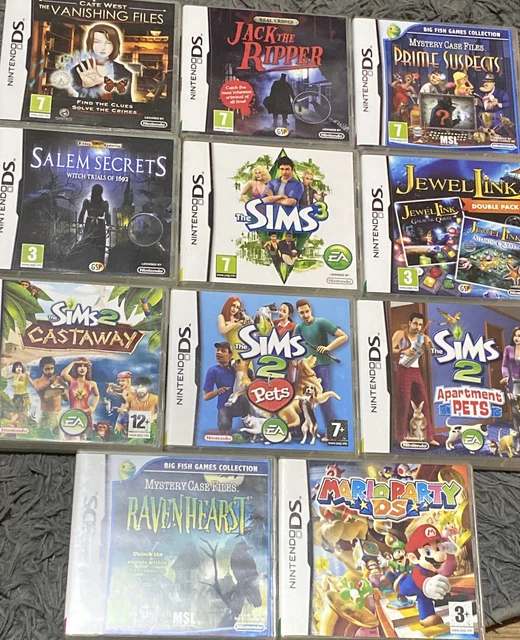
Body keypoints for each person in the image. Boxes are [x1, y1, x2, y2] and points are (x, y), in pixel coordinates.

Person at [293, 299, 348, 424]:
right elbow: (294, 347)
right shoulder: (299, 327)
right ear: (298, 313)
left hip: (322, 365)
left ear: (311, 309)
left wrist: (328, 348)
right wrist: (294, 361)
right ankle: (304, 429)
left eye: (307, 311)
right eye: (302, 313)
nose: (305, 315)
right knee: (303, 399)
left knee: (324, 398)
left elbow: (344, 336)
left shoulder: (322, 322)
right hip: (306, 370)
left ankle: (335, 432)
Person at [391, 312, 439, 445]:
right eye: (415, 323)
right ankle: (401, 437)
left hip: (416, 370)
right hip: (403, 369)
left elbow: (433, 353)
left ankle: (429, 437)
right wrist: (403, 351)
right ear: (409, 323)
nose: (417, 327)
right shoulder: (400, 334)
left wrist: (430, 345)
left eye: (420, 325)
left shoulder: (422, 337)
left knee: (424, 402)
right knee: (404, 403)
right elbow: (389, 349)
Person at [396, 525, 456, 628]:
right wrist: (428, 585)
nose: (439, 555)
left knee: (425, 595)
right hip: (412, 585)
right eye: (428, 551)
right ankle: (426, 617)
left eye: (438, 548)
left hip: (426, 587)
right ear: (414, 558)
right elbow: (422, 582)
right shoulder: (418, 571)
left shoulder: (432, 569)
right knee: (416, 593)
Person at [71, 23, 133, 102]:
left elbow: (127, 101)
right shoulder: (79, 69)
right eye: (97, 42)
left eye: (108, 43)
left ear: (115, 45)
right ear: (90, 43)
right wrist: (86, 86)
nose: (103, 47)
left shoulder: (124, 72)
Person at [203, 342, 250, 433]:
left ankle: (248, 428)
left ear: (230, 355)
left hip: (242, 405)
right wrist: (217, 391)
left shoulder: (242, 370)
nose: (218, 352)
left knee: (244, 399)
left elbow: (254, 386)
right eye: (217, 350)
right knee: (224, 426)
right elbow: (206, 397)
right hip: (224, 407)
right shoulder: (213, 371)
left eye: (223, 351)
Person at [62, 357, 100, 431]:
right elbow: (63, 374)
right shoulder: (71, 380)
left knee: (86, 435)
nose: (82, 368)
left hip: (86, 413)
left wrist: (93, 407)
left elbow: (97, 395)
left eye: (84, 366)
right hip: (72, 413)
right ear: (76, 368)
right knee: (71, 435)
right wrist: (74, 363)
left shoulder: (92, 384)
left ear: (87, 369)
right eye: (79, 366)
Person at [32, 357, 67, 432]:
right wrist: (50, 383)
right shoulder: (37, 381)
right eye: (47, 369)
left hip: (59, 414)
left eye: (52, 368)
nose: (50, 371)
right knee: (43, 437)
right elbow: (38, 389)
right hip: (46, 415)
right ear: (42, 369)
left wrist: (63, 392)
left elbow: (66, 399)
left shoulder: (58, 379)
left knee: (59, 438)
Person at [78, 184, 109, 264]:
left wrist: (80, 224)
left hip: (95, 225)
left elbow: (82, 214)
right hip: (94, 225)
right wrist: (108, 226)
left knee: (94, 244)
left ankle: (94, 263)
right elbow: (107, 215)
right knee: (93, 245)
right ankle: (95, 262)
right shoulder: (90, 202)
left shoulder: (103, 203)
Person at [501, 327, 520, 429]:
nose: (516, 338)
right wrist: (506, 376)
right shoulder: (508, 349)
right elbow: (504, 365)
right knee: (516, 410)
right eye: (515, 336)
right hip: (516, 382)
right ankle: (517, 434)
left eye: (519, 336)